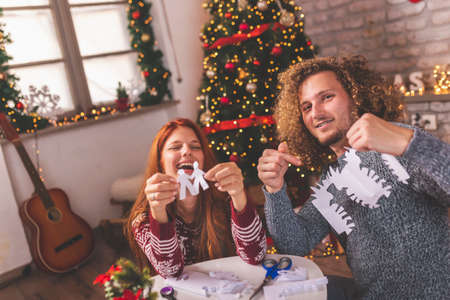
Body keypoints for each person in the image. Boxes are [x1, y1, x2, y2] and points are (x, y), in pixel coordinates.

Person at [257, 56, 449, 299]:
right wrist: (275, 191)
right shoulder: (330, 179)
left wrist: (407, 142)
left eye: (326, 97)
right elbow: (294, 244)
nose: (316, 113)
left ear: (355, 97)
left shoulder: (397, 142)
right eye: (306, 107)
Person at [125, 118, 266, 278]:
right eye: (175, 147)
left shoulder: (225, 199)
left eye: (195, 146)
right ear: (161, 161)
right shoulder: (143, 220)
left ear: (204, 157)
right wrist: (158, 212)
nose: (186, 151)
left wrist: (238, 195)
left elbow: (256, 256)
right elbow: (169, 271)